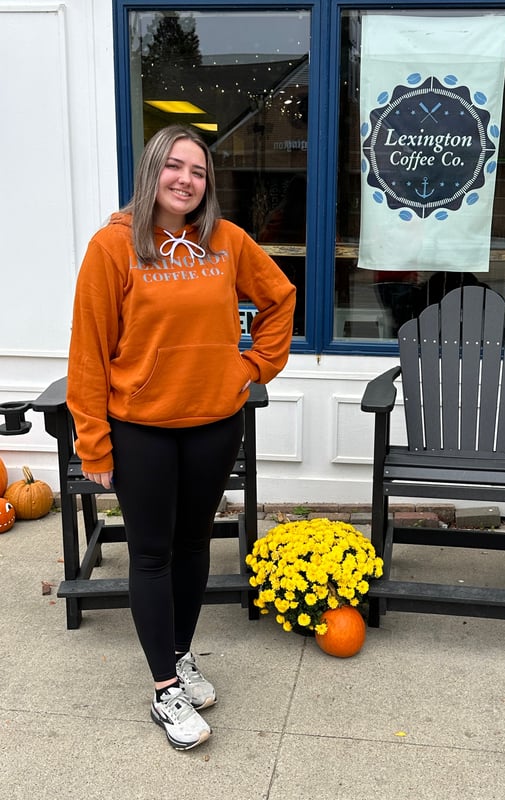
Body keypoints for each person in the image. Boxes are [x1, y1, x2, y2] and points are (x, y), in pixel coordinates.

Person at [66, 124, 296, 750]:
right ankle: (165, 688)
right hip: (139, 428)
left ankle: (181, 654)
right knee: (151, 553)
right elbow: (87, 353)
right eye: (174, 166)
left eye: (198, 171)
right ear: (151, 172)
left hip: (213, 424)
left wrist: (252, 368)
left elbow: (279, 299)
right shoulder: (113, 247)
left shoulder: (226, 241)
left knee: (196, 545)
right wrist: (94, 443)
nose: (186, 180)